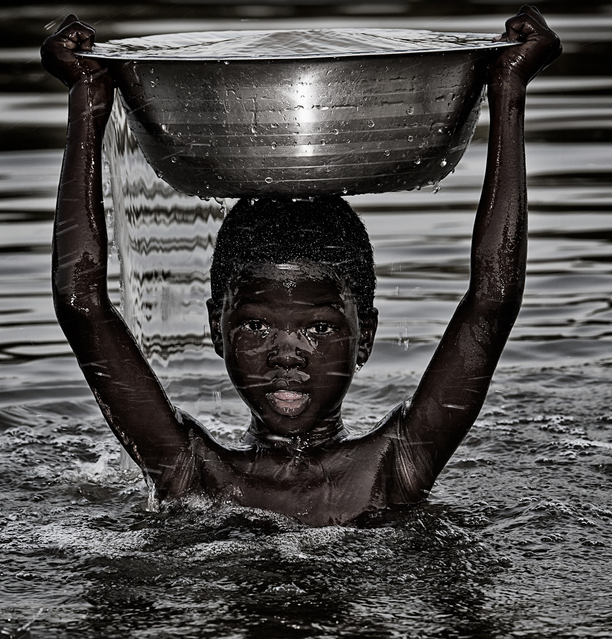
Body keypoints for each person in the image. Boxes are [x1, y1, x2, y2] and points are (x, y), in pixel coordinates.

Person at [41, 7, 561, 526]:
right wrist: (86, 100)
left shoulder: (394, 467)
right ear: (215, 329)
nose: (285, 354)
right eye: (255, 325)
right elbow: (81, 304)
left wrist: (508, 92)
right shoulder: (195, 473)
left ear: (365, 336)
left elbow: (491, 300)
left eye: (318, 327)